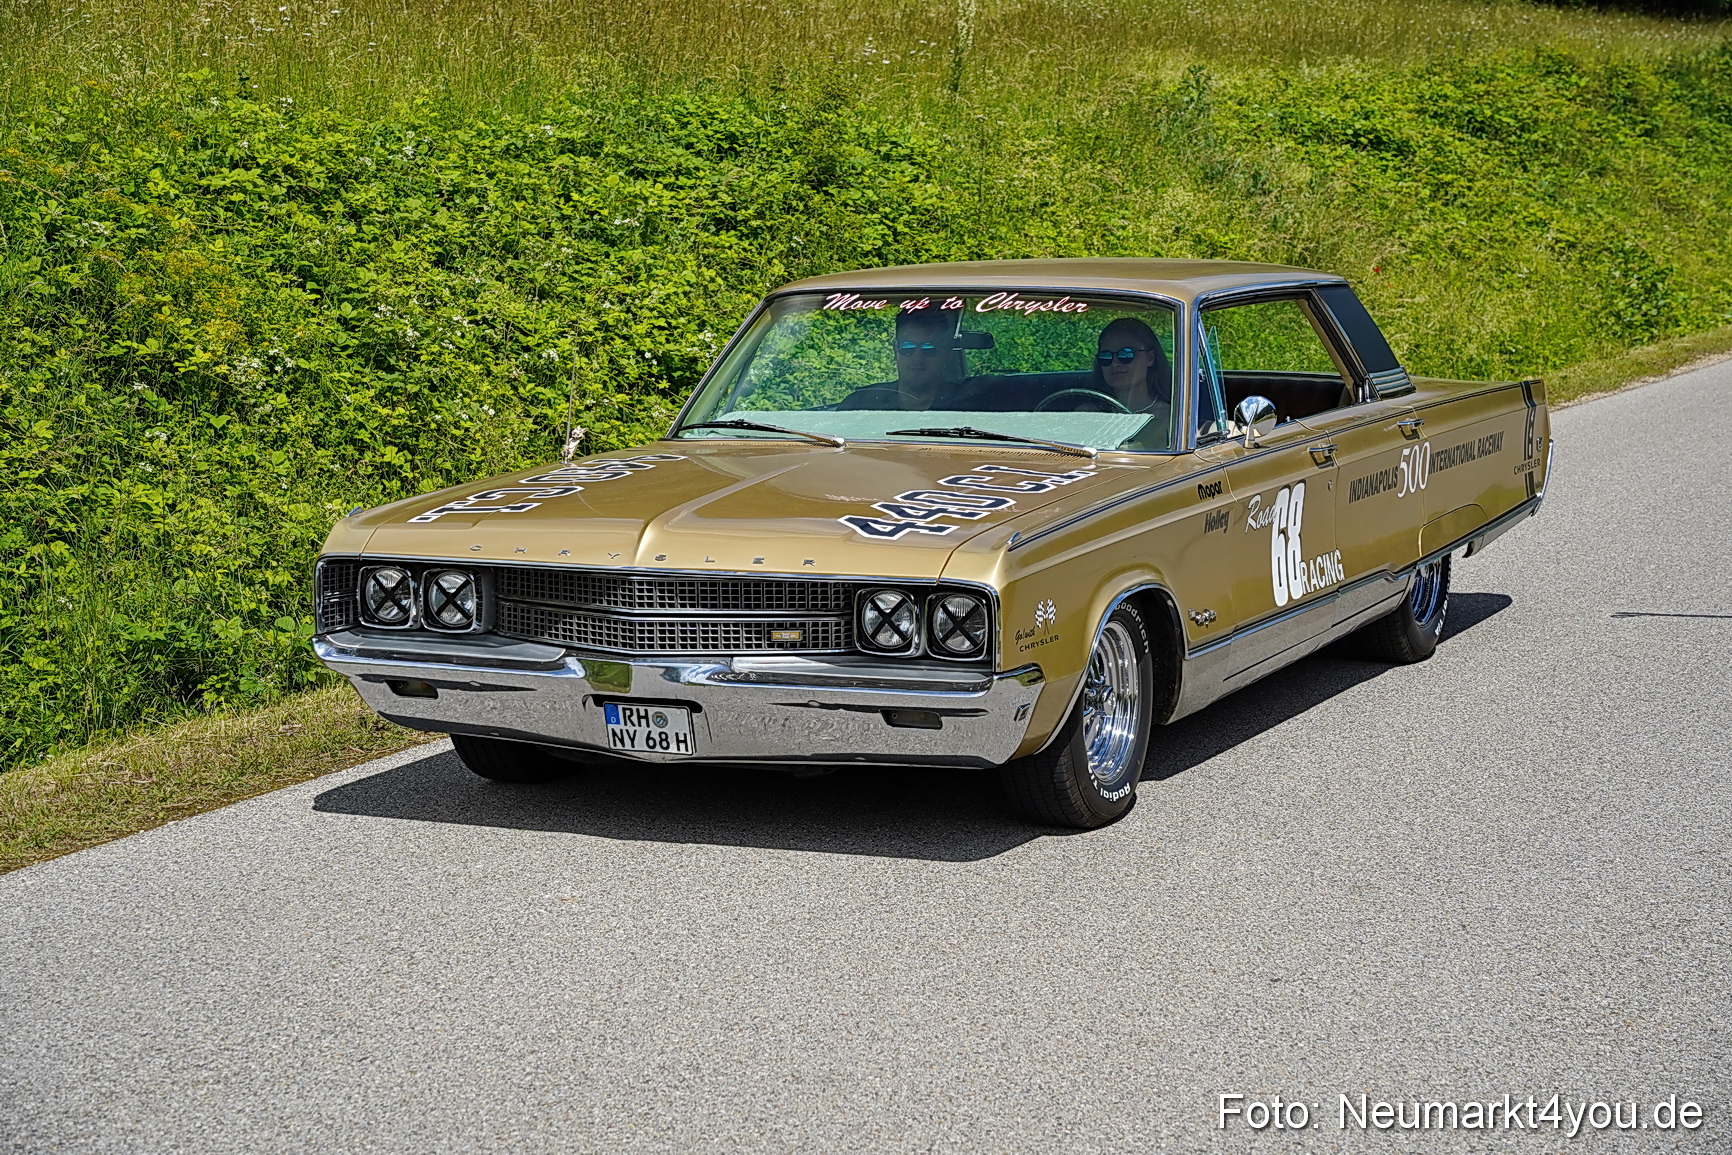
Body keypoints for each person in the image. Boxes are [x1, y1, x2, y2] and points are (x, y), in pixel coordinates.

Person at [834, 306, 968, 410]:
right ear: (895, 350)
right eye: (907, 347)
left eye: (929, 348)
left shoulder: (969, 404)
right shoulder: (859, 404)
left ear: (945, 353)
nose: (917, 358)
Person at [1091, 317, 1172, 418]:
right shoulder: (1087, 413)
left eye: (1126, 354)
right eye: (1105, 357)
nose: (1114, 363)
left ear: (1150, 358)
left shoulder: (1173, 417)